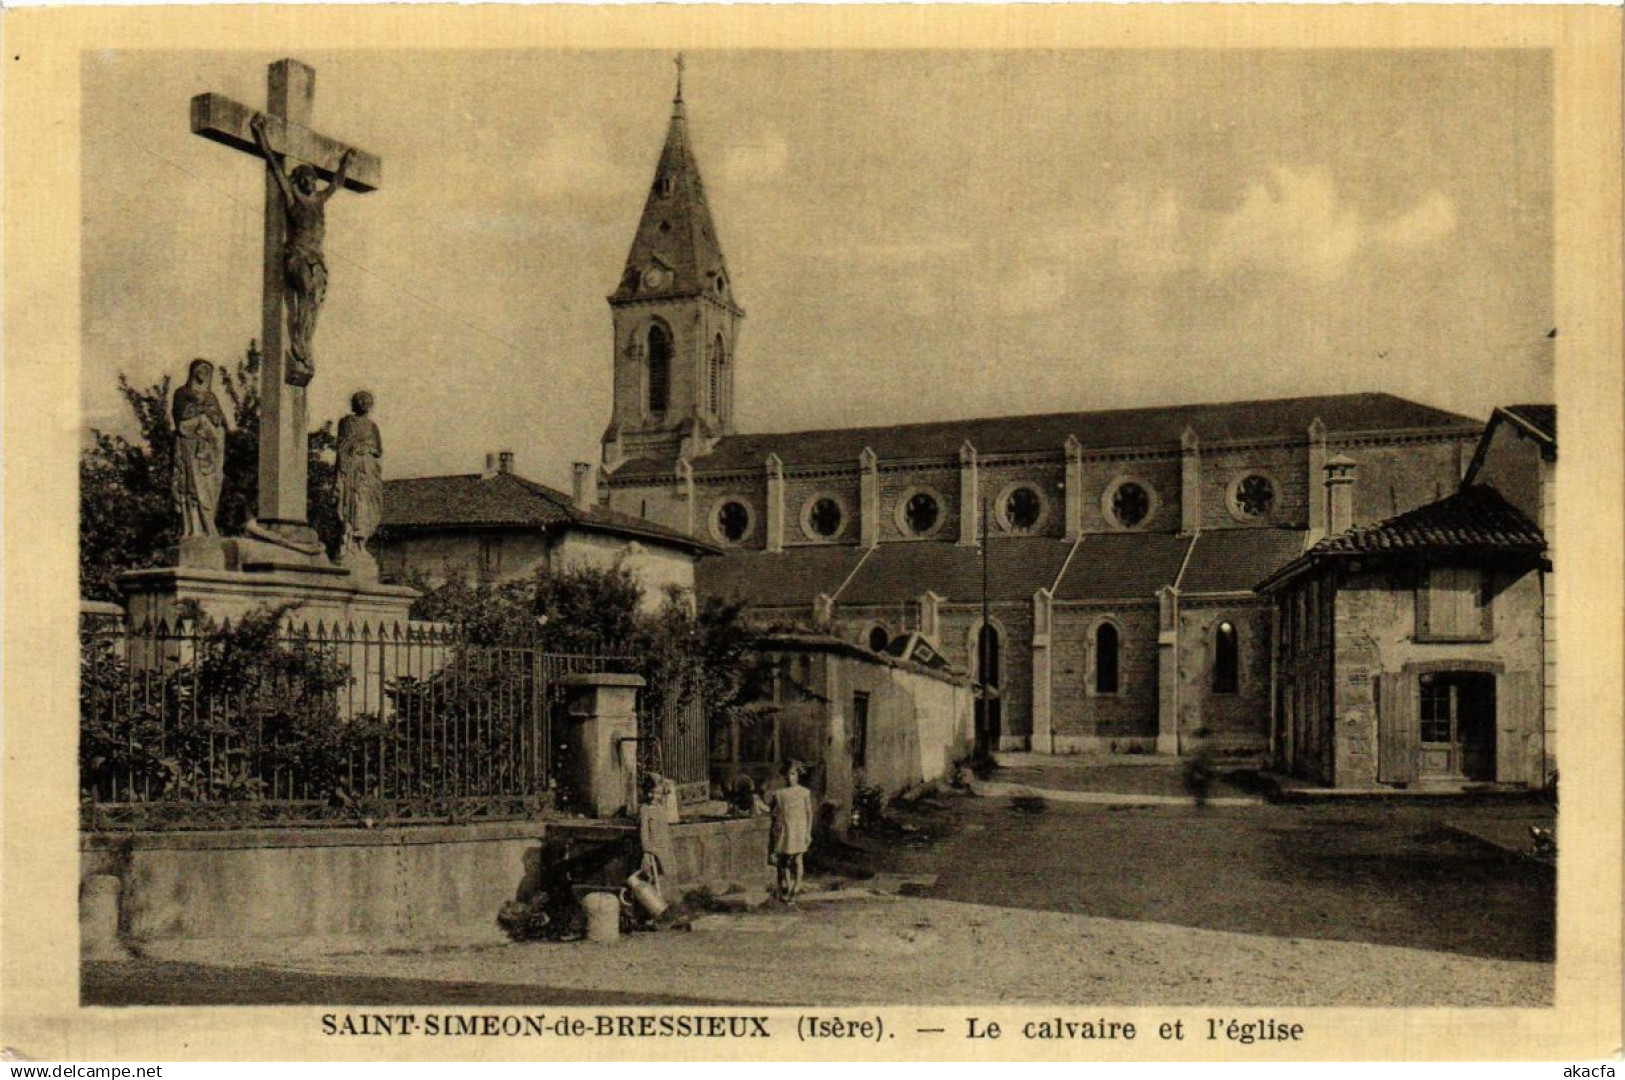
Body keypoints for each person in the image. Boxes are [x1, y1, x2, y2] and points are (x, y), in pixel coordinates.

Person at [249, 113, 354, 386]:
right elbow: (273, 164)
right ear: (298, 179)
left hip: (317, 259)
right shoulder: (292, 195)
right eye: (306, 177)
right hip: (297, 256)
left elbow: (337, 183)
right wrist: (262, 137)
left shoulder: (319, 198)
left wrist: (345, 163)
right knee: (307, 291)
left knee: (314, 302)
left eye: (313, 178)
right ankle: (299, 343)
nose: (311, 181)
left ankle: (304, 342)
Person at [171, 358, 228, 538]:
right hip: (190, 446)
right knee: (192, 487)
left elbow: (220, 422)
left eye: (208, 371)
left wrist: (209, 416)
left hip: (209, 453)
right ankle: (195, 528)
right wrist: (199, 413)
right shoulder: (182, 393)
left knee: (211, 488)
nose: (204, 374)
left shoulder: (211, 397)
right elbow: (180, 420)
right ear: (193, 371)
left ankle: (209, 525)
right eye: (201, 369)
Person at [335, 390, 383, 562]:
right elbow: (342, 448)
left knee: (365, 507)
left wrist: (367, 450)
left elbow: (378, 450)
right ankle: (348, 542)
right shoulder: (347, 422)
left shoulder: (372, 426)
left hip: (367, 471)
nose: (364, 404)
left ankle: (361, 544)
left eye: (367, 401)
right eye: (361, 401)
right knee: (352, 503)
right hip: (353, 471)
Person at [766, 760, 812, 902]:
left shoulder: (804, 792)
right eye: (787, 774)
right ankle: (786, 885)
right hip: (785, 829)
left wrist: (808, 833)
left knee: (797, 859)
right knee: (784, 859)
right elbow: (773, 811)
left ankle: (796, 888)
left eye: (792, 774)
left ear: (798, 775)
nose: (790, 777)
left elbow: (809, 814)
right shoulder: (780, 793)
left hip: (799, 829)